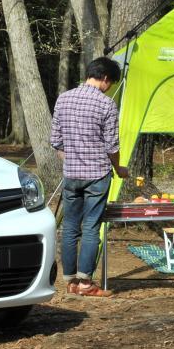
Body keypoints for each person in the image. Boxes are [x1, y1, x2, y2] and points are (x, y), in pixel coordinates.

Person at [50, 56, 125, 297]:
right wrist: (120, 168)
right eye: (110, 83)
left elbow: (55, 141)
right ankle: (85, 283)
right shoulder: (106, 105)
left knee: (71, 226)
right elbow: (112, 146)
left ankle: (69, 281)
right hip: (97, 175)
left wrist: (70, 159)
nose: (109, 88)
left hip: (71, 174)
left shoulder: (63, 99)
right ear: (104, 78)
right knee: (91, 227)